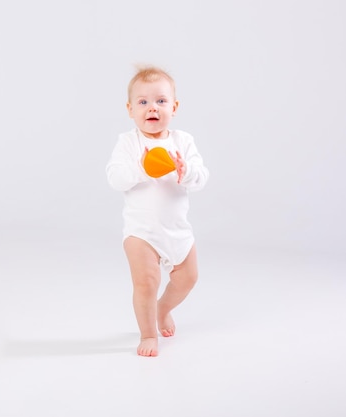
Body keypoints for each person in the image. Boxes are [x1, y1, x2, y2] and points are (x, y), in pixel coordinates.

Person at [106, 66, 209, 357]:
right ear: (130, 109)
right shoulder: (128, 143)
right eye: (143, 102)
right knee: (146, 282)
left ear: (174, 107)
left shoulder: (183, 142)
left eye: (161, 101)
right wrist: (141, 167)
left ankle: (162, 309)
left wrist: (185, 170)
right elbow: (115, 178)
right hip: (142, 232)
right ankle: (148, 333)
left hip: (177, 230)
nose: (153, 107)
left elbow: (202, 178)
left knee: (188, 278)